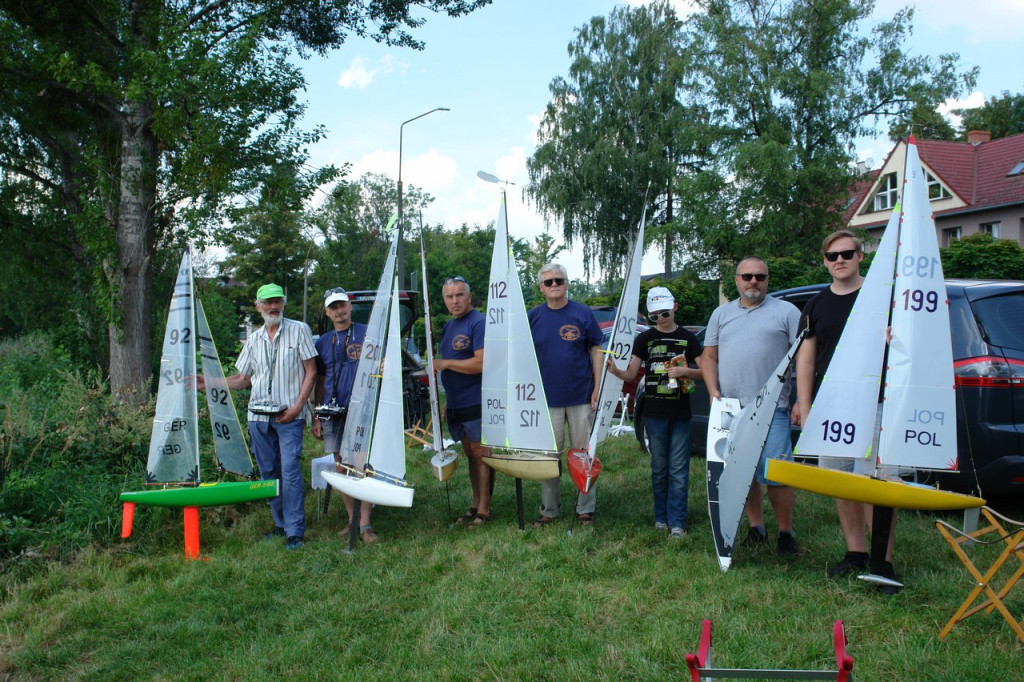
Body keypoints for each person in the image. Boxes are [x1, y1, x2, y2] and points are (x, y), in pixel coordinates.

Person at [794, 230, 899, 594]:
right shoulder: (816, 304)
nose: (840, 260)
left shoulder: (884, 295)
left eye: (847, 253)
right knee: (842, 484)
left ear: (860, 256)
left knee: (877, 485)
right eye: (832, 255)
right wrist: (806, 409)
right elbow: (805, 361)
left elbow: (910, 344)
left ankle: (883, 562)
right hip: (831, 408)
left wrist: (895, 338)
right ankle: (856, 552)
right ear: (825, 261)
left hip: (877, 405)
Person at [201, 283, 317, 550]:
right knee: (268, 473)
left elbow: (311, 371)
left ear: (284, 302)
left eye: (277, 301)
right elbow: (243, 379)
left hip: (289, 415)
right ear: (258, 306)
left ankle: (295, 531)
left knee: (289, 471)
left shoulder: (299, 330)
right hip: (258, 418)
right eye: (267, 303)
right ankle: (280, 524)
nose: (273, 307)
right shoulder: (253, 339)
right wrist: (208, 381)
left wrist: (299, 406)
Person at [701, 258, 801, 555]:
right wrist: (712, 391)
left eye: (760, 276)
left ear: (768, 279)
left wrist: (798, 400)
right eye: (747, 276)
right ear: (736, 280)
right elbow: (708, 357)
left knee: (777, 474)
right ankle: (756, 527)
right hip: (732, 407)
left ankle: (786, 532)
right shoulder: (721, 314)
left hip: (773, 407)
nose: (753, 281)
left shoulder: (787, 312)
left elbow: (803, 358)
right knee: (740, 471)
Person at [606, 287, 702, 538]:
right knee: (659, 467)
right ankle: (661, 517)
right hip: (654, 412)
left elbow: (706, 372)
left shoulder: (689, 339)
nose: (661, 319)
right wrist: (615, 370)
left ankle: (678, 522)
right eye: (654, 316)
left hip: (680, 412)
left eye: (665, 313)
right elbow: (630, 373)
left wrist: (686, 373)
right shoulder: (645, 339)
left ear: (675, 308)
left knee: (679, 469)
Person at [528, 263, 603, 527]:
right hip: (546, 400)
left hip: (581, 396)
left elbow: (596, 350)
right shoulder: (533, 316)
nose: (554, 285)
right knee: (549, 458)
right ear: (541, 288)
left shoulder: (582, 312)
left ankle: (585, 508)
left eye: (558, 280)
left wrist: (597, 387)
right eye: (548, 282)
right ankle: (550, 509)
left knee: (584, 455)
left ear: (567, 283)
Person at [311, 287, 378, 544]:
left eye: (342, 305)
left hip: (362, 409)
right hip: (332, 412)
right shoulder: (322, 342)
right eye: (333, 307)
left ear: (350, 306)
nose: (339, 311)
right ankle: (352, 518)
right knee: (341, 466)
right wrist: (318, 415)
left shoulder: (367, 333)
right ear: (327, 312)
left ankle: (366, 524)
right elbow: (320, 379)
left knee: (362, 464)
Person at [433, 276, 492, 526]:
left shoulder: (478, 323)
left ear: (469, 296)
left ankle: (485, 510)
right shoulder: (449, 326)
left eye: (459, 295)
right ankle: (476, 502)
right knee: (470, 453)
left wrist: (445, 363)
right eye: (449, 297)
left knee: (482, 454)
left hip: (477, 400)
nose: (454, 301)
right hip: (458, 402)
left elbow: (481, 363)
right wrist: (449, 400)